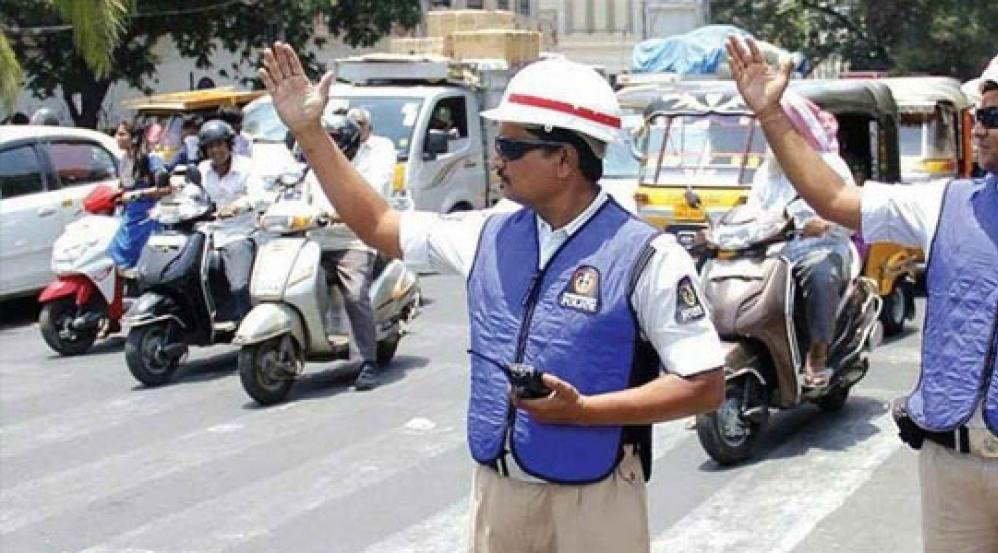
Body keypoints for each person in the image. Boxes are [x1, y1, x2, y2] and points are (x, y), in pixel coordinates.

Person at [260, 41, 724, 552]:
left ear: (565, 159)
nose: (495, 159)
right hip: (501, 493)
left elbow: (703, 386)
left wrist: (585, 411)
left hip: (596, 502)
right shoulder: (487, 233)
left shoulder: (648, 257)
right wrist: (310, 131)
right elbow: (379, 224)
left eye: (510, 147)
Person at [726, 37, 998, 551]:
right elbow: (832, 197)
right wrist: (770, 114)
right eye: (977, 114)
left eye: (994, 115)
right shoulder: (946, 204)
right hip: (951, 474)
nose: (977, 126)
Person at [748, 114, 855, 388]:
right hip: (777, 247)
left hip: (824, 246)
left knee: (820, 273)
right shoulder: (767, 171)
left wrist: (827, 223)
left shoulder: (830, 165)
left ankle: (818, 353)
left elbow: (851, 217)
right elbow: (753, 213)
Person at [300, 114, 390, 391]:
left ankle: (367, 362)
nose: (331, 146)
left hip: (353, 241)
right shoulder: (314, 171)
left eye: (336, 140)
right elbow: (302, 203)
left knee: (355, 294)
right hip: (316, 243)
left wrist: (344, 215)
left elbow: (375, 201)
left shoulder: (367, 170)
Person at [196, 119, 260, 321]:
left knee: (239, 285)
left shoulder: (248, 167)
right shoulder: (201, 170)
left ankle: (248, 322)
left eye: (219, 144)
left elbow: (257, 196)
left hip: (239, 232)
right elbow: (190, 193)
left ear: (229, 145)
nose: (215, 151)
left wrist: (236, 207)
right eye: (210, 147)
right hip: (207, 233)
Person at [109, 121, 173, 279]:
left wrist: (139, 193)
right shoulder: (124, 160)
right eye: (117, 134)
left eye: (122, 134)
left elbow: (166, 188)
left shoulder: (150, 159)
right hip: (129, 212)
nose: (117, 138)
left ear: (135, 138)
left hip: (148, 215)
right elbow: (123, 186)